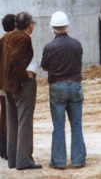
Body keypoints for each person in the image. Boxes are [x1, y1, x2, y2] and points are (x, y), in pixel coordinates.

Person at [40, 11, 86, 170]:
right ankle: (78, 160)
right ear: (67, 26)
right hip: (75, 85)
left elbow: (45, 66)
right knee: (76, 125)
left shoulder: (49, 47)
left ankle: (59, 161)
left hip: (57, 86)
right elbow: (78, 62)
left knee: (59, 127)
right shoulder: (76, 44)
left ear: (52, 28)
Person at [0, 12, 41, 170]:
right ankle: (24, 161)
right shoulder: (23, 38)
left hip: (7, 86)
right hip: (21, 86)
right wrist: (25, 75)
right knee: (24, 122)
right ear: (29, 25)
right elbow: (16, 59)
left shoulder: (6, 37)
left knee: (11, 122)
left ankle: (13, 159)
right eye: (33, 24)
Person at [0, 13, 15, 161]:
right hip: (8, 83)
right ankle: (7, 150)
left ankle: (2, 148)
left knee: (3, 114)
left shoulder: (2, 40)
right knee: (9, 116)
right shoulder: (12, 41)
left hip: (1, 83)